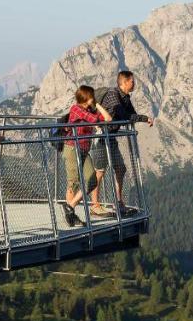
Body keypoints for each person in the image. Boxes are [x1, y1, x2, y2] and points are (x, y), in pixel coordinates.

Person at [97, 70, 153, 215]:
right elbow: (124, 114)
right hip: (100, 136)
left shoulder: (126, 98)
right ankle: (95, 205)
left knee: (121, 168)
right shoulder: (112, 95)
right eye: (132, 81)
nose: (134, 84)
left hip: (111, 137)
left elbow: (131, 114)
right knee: (99, 172)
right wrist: (141, 118)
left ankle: (118, 201)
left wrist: (144, 118)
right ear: (124, 82)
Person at [61, 85, 112, 227]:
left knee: (92, 181)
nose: (93, 97)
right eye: (91, 95)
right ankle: (71, 216)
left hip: (84, 150)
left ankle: (69, 207)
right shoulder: (76, 109)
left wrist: (97, 105)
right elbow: (95, 121)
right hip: (72, 148)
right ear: (85, 97)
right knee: (74, 183)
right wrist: (96, 107)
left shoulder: (90, 110)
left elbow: (108, 119)